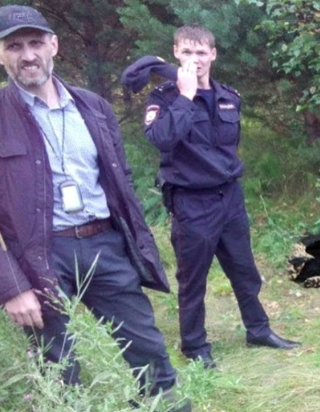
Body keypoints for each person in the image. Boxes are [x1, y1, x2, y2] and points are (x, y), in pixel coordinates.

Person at [0, 5, 190, 411]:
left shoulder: (93, 107)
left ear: (54, 45)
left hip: (104, 242)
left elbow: (120, 181)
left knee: (147, 347)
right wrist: (11, 285)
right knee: (57, 365)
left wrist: (133, 243)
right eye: (14, 46)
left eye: (35, 43)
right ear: (1, 55)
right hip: (39, 254)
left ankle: (164, 404)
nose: (28, 55)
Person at [143, 25, 300, 369]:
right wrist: (186, 97)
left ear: (213, 55)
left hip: (229, 197)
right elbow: (161, 139)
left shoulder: (229, 96)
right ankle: (194, 346)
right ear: (175, 53)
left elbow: (228, 148)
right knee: (193, 279)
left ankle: (258, 330)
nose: (195, 59)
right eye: (187, 52)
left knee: (244, 271)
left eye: (201, 52)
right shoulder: (164, 98)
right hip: (192, 201)